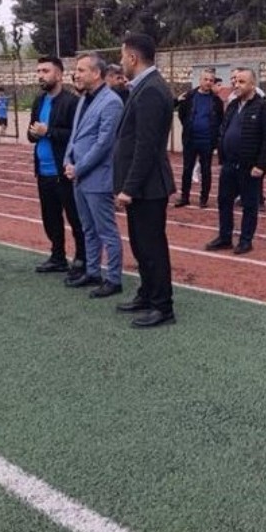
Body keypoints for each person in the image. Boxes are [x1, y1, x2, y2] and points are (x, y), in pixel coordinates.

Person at [113, 33, 176, 328]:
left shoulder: (151, 89)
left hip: (148, 187)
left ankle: (163, 307)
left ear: (133, 57)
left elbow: (146, 146)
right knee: (141, 246)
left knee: (152, 248)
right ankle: (147, 294)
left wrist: (129, 188)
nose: (121, 62)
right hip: (144, 187)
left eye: (122, 56)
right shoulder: (144, 86)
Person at [63, 52, 125, 298]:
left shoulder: (111, 102)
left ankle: (114, 279)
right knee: (87, 228)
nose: (76, 74)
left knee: (106, 231)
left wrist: (78, 167)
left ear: (97, 73)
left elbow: (103, 144)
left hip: (98, 178)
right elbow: (75, 134)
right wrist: (68, 160)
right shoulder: (84, 99)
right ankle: (92, 272)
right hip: (79, 176)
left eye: (81, 70)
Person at [205, 67, 266, 256]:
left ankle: (246, 241)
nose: (236, 85)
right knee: (224, 202)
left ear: (253, 84)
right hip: (229, 164)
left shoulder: (264, 108)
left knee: (249, 205)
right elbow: (224, 129)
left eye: (242, 81)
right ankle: (225, 237)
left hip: (249, 167)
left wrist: (261, 165)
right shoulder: (233, 105)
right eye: (235, 81)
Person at [28, 56, 87, 278]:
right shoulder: (39, 101)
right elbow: (31, 133)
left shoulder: (72, 102)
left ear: (59, 75)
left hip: (64, 173)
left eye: (45, 71)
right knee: (50, 218)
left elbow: (77, 136)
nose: (40, 75)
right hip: (43, 173)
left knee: (75, 218)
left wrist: (48, 132)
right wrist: (34, 134)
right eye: (38, 71)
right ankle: (58, 256)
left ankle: (82, 259)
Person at [173, 67, 223, 209]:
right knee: (187, 169)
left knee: (206, 170)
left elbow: (220, 119)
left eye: (211, 80)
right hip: (190, 139)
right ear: (200, 80)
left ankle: (204, 198)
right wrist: (189, 126)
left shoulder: (216, 101)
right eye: (205, 79)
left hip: (207, 140)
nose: (208, 82)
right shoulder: (189, 96)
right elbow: (182, 114)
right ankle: (185, 197)